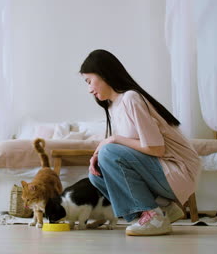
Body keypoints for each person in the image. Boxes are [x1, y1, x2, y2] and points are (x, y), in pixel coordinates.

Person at [80, 49, 201, 236]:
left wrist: (112, 140)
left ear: (103, 74)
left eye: (89, 81)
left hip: (178, 171)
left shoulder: (131, 98)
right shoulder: (114, 106)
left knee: (109, 153)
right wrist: (98, 153)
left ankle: (154, 217)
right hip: (162, 172)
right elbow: (125, 146)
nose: (89, 89)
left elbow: (157, 148)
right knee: (96, 174)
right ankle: (164, 209)